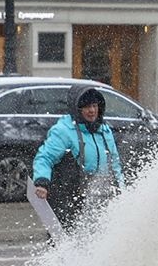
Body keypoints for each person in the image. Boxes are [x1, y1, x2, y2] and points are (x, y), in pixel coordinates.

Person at [31, 87, 125, 231]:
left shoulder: (105, 130)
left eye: (95, 106)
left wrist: (121, 189)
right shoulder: (64, 130)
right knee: (69, 239)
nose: (92, 110)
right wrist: (41, 182)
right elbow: (44, 158)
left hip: (99, 197)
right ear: (77, 109)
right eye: (87, 107)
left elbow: (115, 164)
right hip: (68, 198)